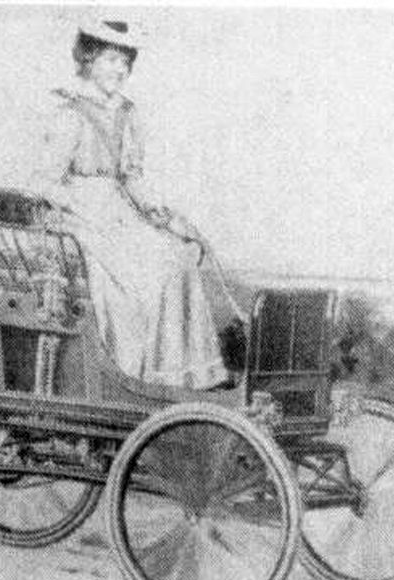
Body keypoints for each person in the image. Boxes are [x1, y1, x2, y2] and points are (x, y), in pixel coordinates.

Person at [30, 19, 239, 389]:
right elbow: (43, 182)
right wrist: (83, 205)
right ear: (89, 59)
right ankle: (140, 377)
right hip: (81, 219)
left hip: (120, 213)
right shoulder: (70, 113)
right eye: (111, 60)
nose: (120, 70)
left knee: (180, 257)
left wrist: (161, 214)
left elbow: (130, 178)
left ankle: (184, 376)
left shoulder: (126, 114)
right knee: (154, 272)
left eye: (125, 62)